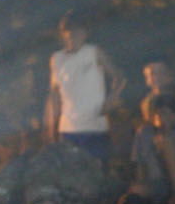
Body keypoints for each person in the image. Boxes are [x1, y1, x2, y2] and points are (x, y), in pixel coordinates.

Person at [46, 15, 125, 155]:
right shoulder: (56, 59)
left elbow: (118, 77)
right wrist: (53, 130)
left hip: (95, 127)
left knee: (98, 170)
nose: (74, 35)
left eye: (78, 31)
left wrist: (111, 100)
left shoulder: (93, 52)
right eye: (69, 32)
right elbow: (54, 96)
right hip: (68, 129)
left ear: (85, 33)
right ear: (63, 34)